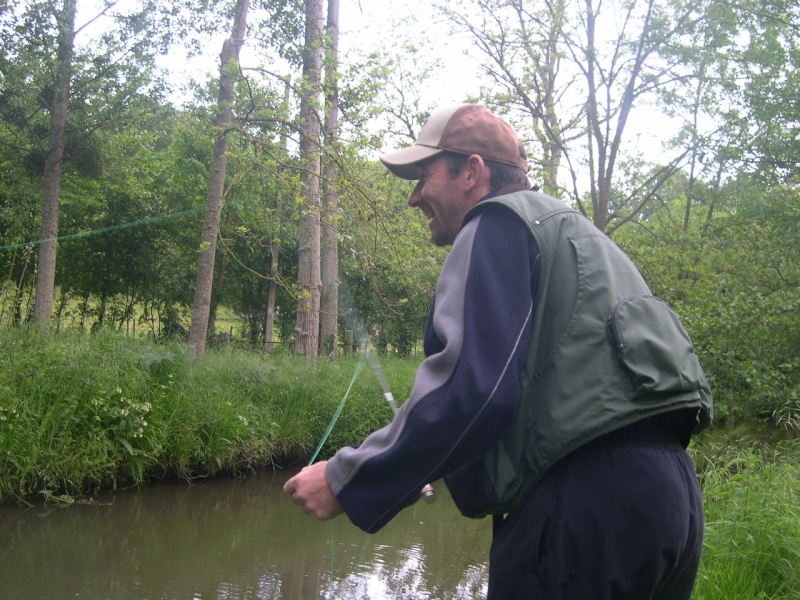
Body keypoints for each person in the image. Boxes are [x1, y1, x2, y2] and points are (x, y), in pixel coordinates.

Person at [283, 104, 713, 599]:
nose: (413, 196)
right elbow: (547, 398)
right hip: (671, 500)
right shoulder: (578, 236)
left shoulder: (496, 222)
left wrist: (346, 478)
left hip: (583, 507)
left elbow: (473, 392)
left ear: (473, 171)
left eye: (424, 175)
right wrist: (427, 467)